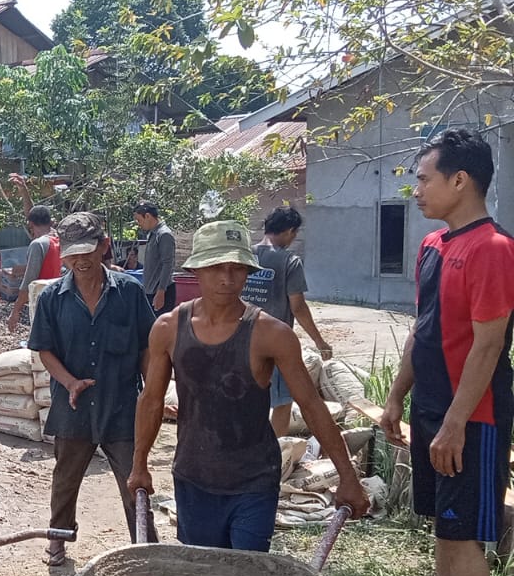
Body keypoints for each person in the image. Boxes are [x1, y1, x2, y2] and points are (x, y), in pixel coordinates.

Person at [128, 220, 369, 552]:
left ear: (248, 272)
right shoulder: (168, 328)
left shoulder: (272, 334)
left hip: (254, 480)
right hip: (194, 476)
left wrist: (348, 477)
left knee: (248, 572)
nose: (227, 279)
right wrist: (139, 464)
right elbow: (152, 400)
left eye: (237, 269)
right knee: (204, 572)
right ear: (196, 269)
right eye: (216, 268)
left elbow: (311, 406)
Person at [377, 128, 514, 576]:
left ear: (460, 181)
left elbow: (488, 345)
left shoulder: (493, 249)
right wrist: (396, 397)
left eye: (424, 179)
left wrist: (456, 423)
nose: (416, 191)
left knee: (464, 537)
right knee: (444, 529)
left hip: (473, 418)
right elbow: (424, 329)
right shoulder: (434, 246)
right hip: (433, 410)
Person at [29, 212, 157, 566]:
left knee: (135, 480)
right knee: (65, 479)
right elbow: (44, 350)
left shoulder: (129, 292)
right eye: (72, 255)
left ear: (104, 246)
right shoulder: (53, 298)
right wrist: (69, 381)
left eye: (87, 251)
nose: (80, 261)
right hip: (73, 405)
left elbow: (147, 347)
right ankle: (58, 538)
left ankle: (146, 548)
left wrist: (152, 393)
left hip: (121, 405)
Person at [242, 206, 334, 437]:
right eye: (295, 233)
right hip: (275, 344)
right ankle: (275, 449)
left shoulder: (244, 257)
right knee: (282, 402)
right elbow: (298, 307)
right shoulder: (289, 262)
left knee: (246, 398)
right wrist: (320, 342)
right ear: (290, 230)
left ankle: (245, 445)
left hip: (241, 339)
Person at [6, 174, 61, 332]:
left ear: (30, 224)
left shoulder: (38, 245)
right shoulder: (58, 238)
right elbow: (32, 215)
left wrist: (15, 311)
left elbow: (28, 282)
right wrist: (24, 191)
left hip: (43, 301)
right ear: (51, 221)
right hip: (59, 298)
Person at [133, 203, 177, 315]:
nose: (139, 224)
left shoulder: (164, 234)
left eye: (139, 220)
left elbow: (168, 264)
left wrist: (161, 291)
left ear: (147, 216)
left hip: (161, 293)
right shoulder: (153, 234)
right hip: (151, 291)